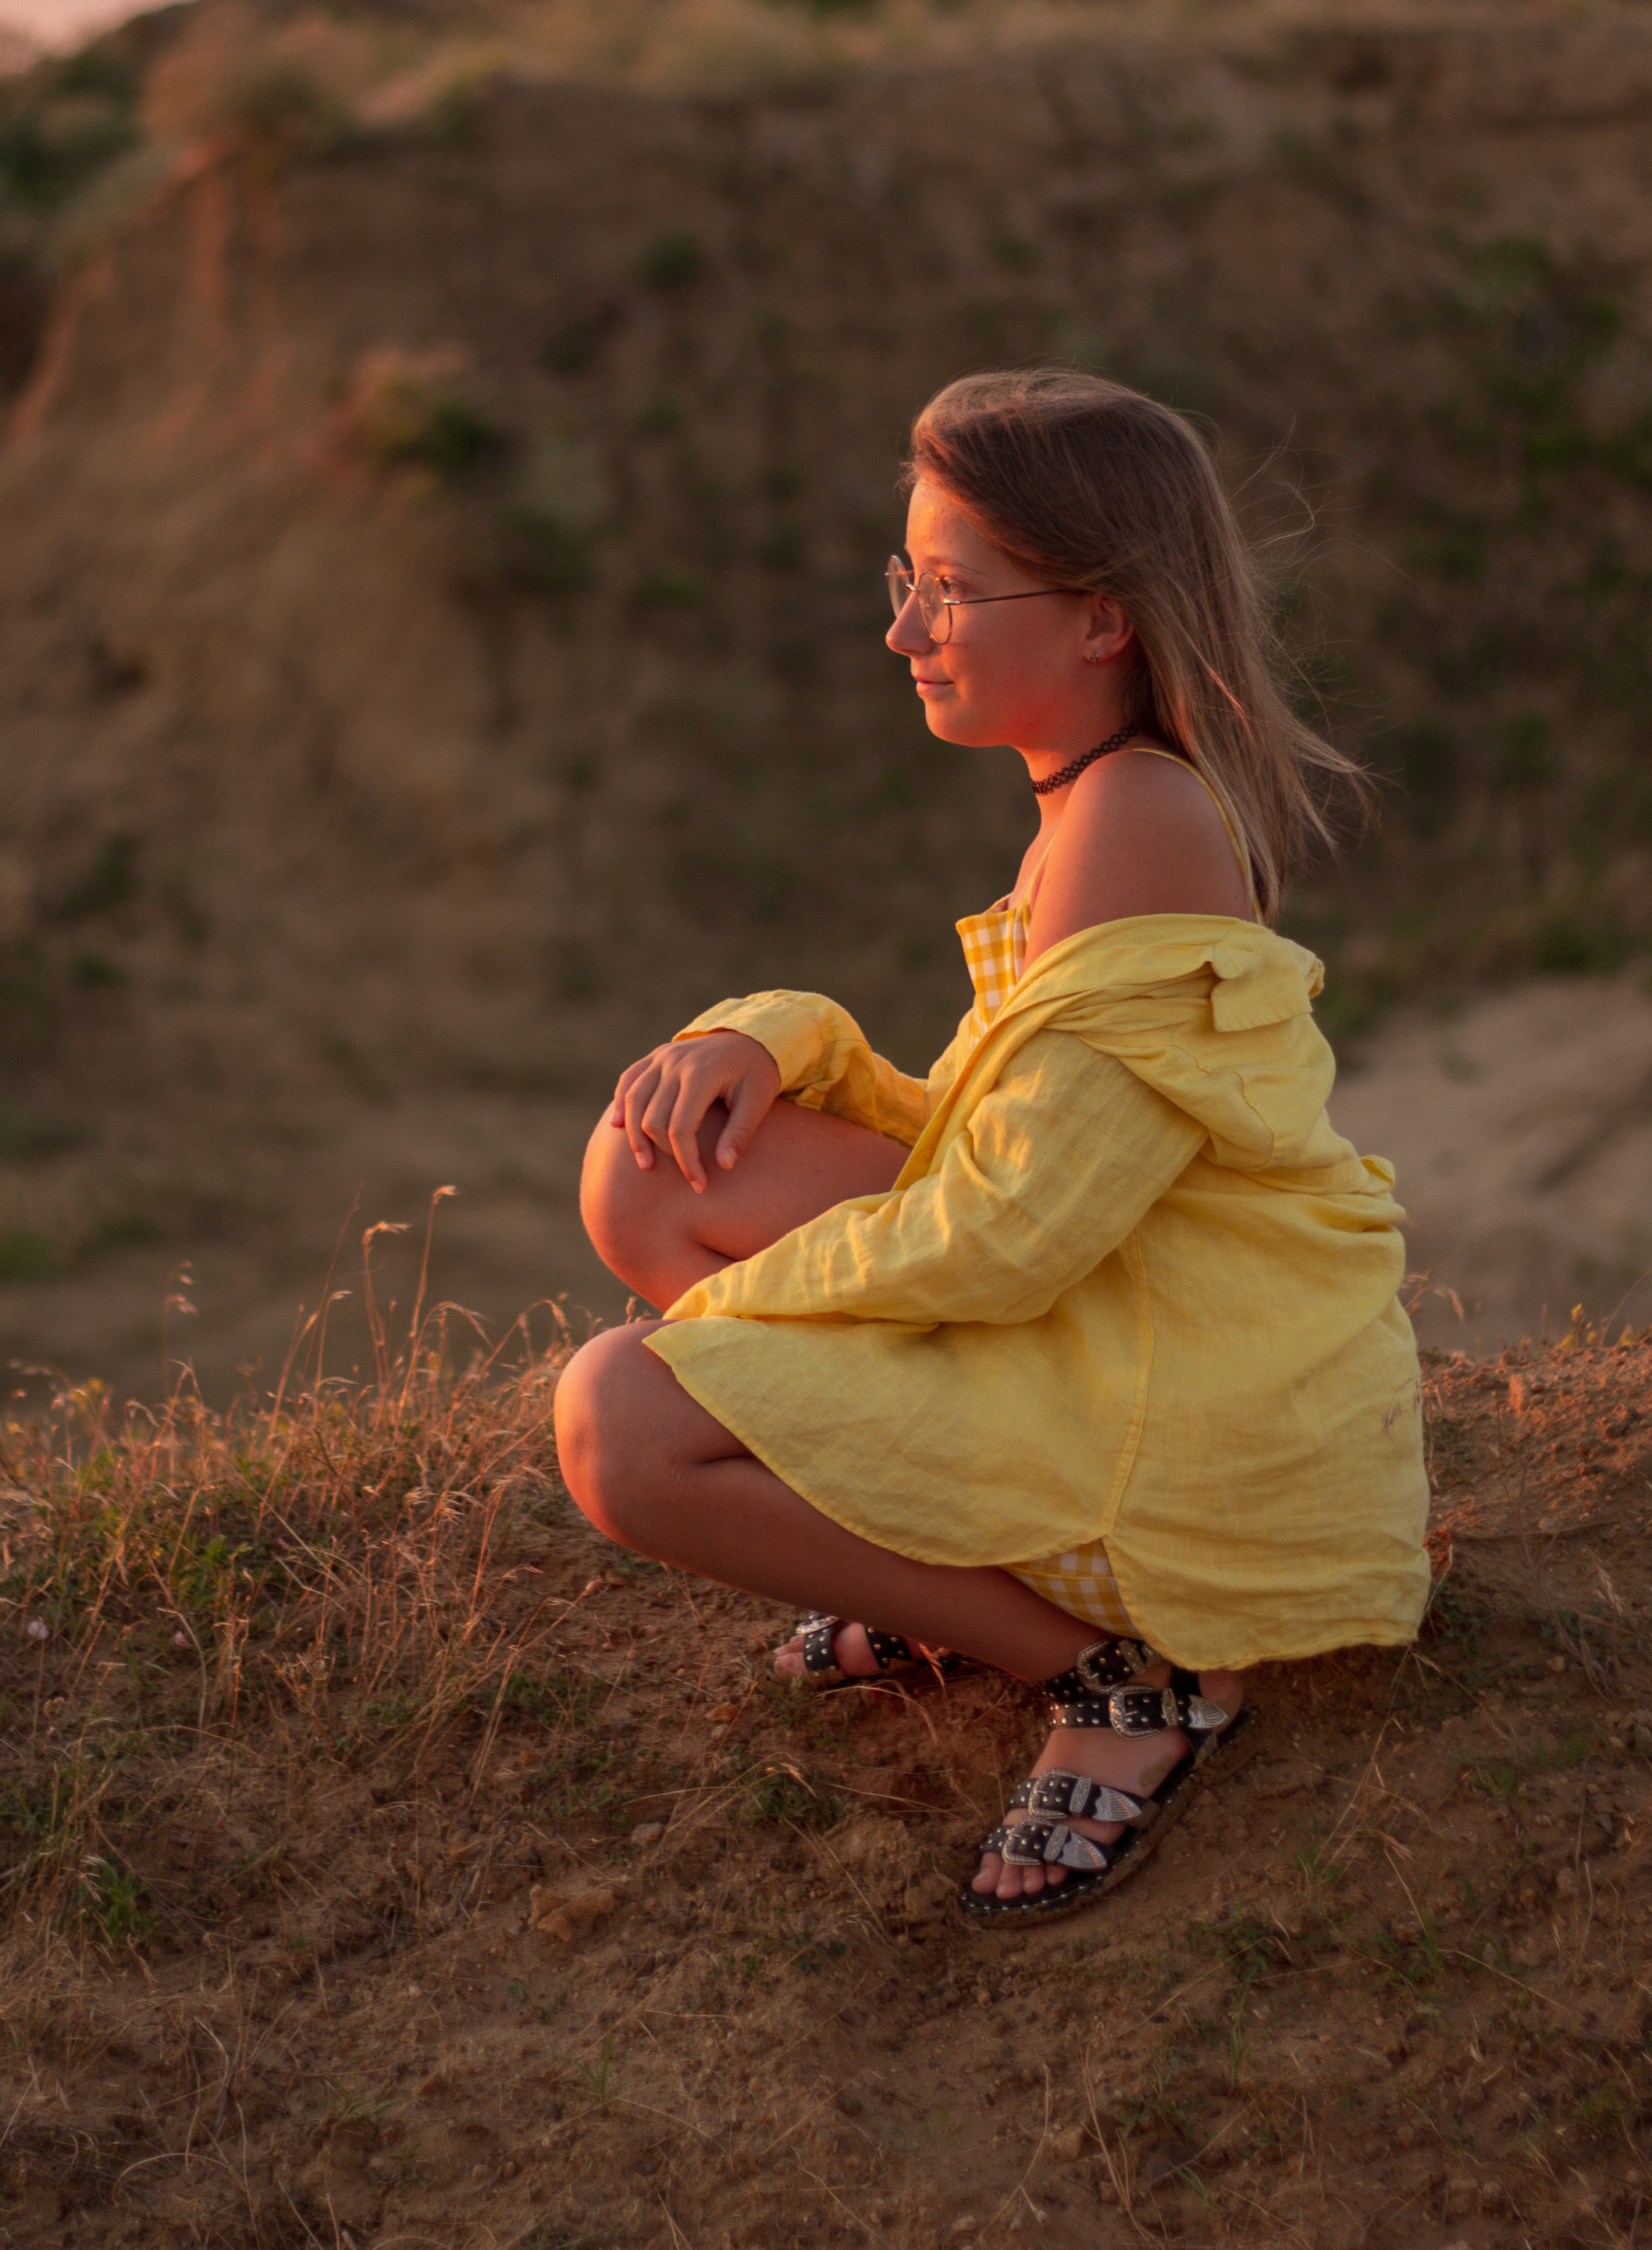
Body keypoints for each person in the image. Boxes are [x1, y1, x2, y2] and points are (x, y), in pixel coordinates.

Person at [555, 368, 1429, 1928]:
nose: (903, 631)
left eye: (948, 592)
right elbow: (971, 1135)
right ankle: (960, 1586)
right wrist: (764, 1035)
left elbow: (1009, 1234)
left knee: (618, 1423)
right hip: (1105, 1316)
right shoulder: (1088, 806)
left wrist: (716, 1330)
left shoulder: (1135, 829)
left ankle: (1121, 1681)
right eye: (904, 582)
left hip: (1177, 1398)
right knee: (653, 1167)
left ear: (1101, 617)